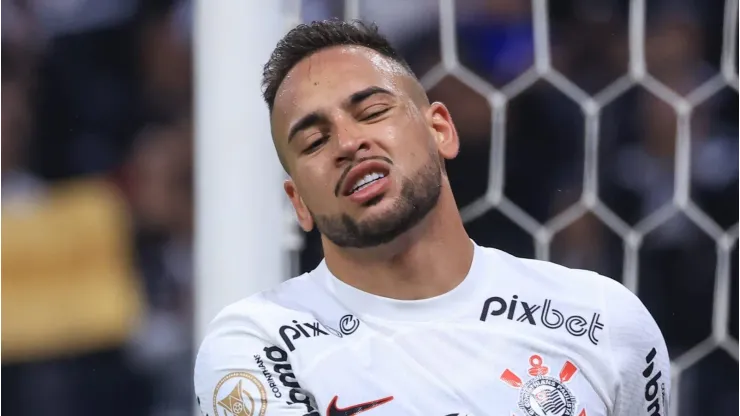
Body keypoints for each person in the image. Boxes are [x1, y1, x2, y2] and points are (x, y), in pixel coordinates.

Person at [194, 20, 670, 416]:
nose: (347, 143)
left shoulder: (602, 320)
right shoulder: (259, 343)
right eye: (315, 142)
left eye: (373, 111)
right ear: (298, 202)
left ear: (440, 129)